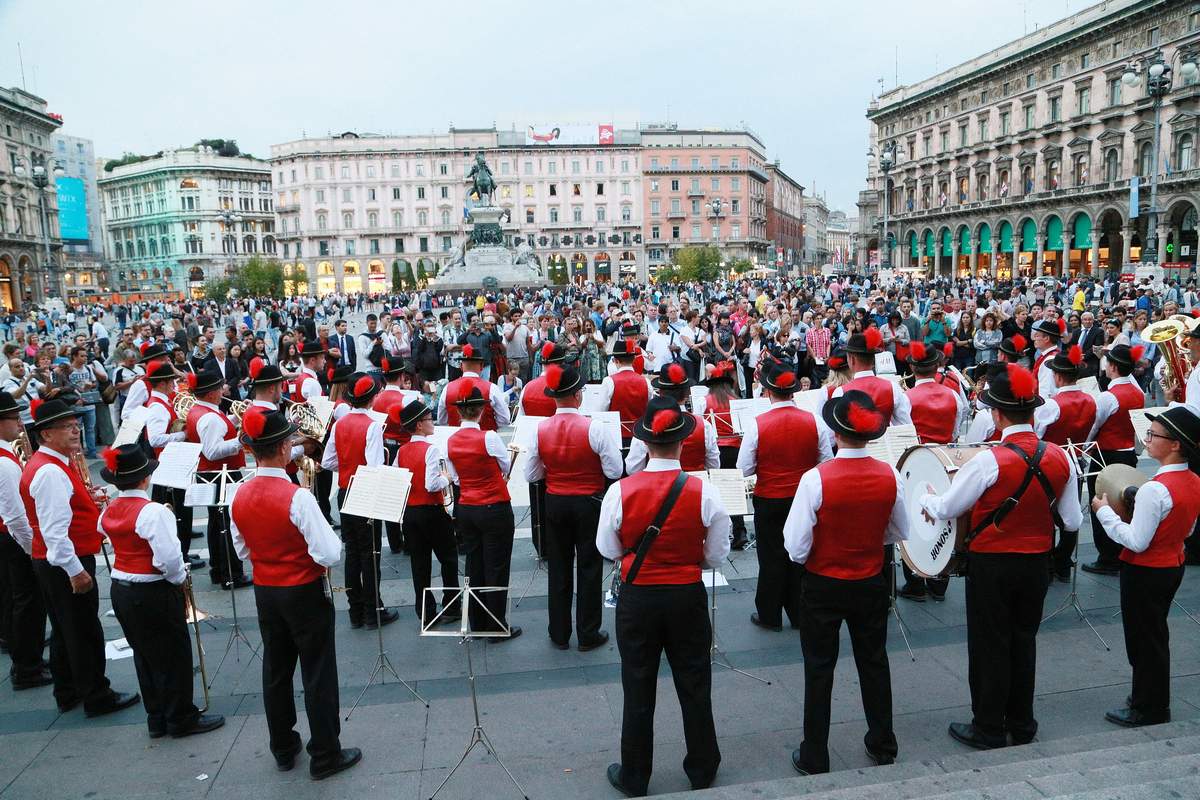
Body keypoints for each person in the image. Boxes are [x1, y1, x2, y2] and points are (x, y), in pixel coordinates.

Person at [919, 364, 1082, 749]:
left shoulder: (988, 460)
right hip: (1036, 564)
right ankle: (1022, 723)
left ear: (996, 413)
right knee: (1024, 640)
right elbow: (1072, 521)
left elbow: (946, 507)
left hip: (992, 565)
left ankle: (989, 726)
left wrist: (923, 495)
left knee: (990, 644)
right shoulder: (1060, 456)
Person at [597, 396, 730, 797]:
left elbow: (607, 548)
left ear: (646, 444)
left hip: (638, 597)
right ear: (681, 443)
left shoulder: (620, 491)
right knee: (695, 682)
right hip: (686, 594)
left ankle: (635, 775)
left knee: (637, 684)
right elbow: (716, 555)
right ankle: (702, 766)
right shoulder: (703, 491)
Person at [230, 407, 361, 780]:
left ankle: (283, 747)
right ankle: (325, 753)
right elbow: (329, 553)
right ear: (285, 447)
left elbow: (242, 550)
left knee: (276, 668)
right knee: (318, 671)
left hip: (266, 591)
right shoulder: (297, 497)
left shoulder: (239, 494)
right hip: (304, 590)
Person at [783, 390, 907, 775]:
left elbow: (795, 547)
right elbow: (899, 531)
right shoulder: (889, 474)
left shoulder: (815, 479)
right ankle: (882, 742)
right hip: (870, 579)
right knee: (874, 662)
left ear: (836, 433)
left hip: (823, 583)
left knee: (819, 668)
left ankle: (815, 753)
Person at [21, 397, 140, 717]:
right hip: (64, 560)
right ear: (46, 434)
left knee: (65, 628)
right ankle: (97, 696)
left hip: (54, 560)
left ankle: (69, 690)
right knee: (84, 630)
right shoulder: (51, 472)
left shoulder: (54, 464)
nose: (77, 431)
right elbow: (55, 532)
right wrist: (76, 571)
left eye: (76, 425)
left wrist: (89, 502)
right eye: (67, 427)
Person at [97, 443, 224, 738]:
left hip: (121, 589)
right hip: (152, 591)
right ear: (144, 479)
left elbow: (104, 531)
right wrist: (181, 580)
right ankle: (181, 718)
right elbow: (168, 561)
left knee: (144, 654)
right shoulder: (153, 512)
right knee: (174, 655)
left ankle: (157, 717)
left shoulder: (109, 508)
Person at [1093, 406, 1200, 727]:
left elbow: (1136, 541)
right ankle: (1149, 698)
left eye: (1153, 435)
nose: (1147, 439)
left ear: (1176, 445)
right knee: (1154, 637)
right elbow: (1189, 529)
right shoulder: (1193, 480)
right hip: (1172, 564)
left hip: (1145, 571)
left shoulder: (1155, 489)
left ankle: (1149, 707)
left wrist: (1104, 512)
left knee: (1143, 641)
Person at [524, 364, 622, 650]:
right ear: (578, 396)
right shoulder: (594, 427)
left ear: (554, 397)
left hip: (555, 501)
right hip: (588, 502)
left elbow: (531, 475)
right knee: (589, 567)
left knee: (559, 567)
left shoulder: (540, 429)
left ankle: (559, 632)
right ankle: (588, 633)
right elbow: (615, 470)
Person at [737, 362, 832, 631]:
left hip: (769, 497)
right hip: (803, 496)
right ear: (793, 393)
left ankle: (770, 615)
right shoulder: (813, 420)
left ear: (768, 393)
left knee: (770, 556)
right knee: (801, 554)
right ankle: (800, 613)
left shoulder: (758, 424)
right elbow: (826, 461)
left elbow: (744, 468)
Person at [444, 385, 520, 640]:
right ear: (480, 410)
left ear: (460, 412)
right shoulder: (489, 437)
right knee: (496, 566)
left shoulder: (451, 440)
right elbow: (505, 466)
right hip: (493, 506)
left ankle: (476, 623)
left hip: (466, 507)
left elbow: (454, 476)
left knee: (473, 566)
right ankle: (496, 626)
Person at [321, 373, 397, 628]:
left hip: (345, 490)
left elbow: (327, 462)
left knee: (352, 552)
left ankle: (355, 610)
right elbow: (374, 465)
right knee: (370, 553)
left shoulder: (340, 424)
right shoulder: (373, 425)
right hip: (365, 490)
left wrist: (347, 466)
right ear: (372, 398)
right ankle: (373, 609)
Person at [393, 400, 460, 625]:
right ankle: (451, 606)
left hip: (411, 514)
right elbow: (432, 484)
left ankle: (425, 612)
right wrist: (447, 478)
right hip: (432, 511)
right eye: (429, 419)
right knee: (448, 559)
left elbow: (398, 479)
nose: (433, 422)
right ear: (419, 425)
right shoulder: (430, 449)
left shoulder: (402, 451)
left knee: (419, 564)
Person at [1034, 344, 1098, 581]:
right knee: (1071, 513)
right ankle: (1063, 561)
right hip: (1077, 458)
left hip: (1051, 461)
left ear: (1058, 377)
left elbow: (1037, 434)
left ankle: (1050, 562)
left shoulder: (1052, 405)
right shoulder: (1092, 400)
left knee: (1047, 512)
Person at [1083, 344, 1147, 575]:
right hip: (1127, 453)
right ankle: (1121, 550)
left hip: (1105, 455)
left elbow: (1094, 426)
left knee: (1101, 503)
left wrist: (1084, 449)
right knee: (1126, 504)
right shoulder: (1138, 392)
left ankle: (1107, 557)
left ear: (1113, 366)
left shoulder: (1109, 397)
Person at [184, 368, 250, 589]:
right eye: (220, 387)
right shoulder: (211, 418)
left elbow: (218, 426)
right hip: (222, 474)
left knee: (216, 524)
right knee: (227, 525)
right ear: (212, 393)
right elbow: (212, 450)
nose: (223, 390)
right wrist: (241, 440)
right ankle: (232, 574)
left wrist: (234, 418)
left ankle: (218, 570)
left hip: (210, 475)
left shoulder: (201, 411)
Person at [0, 391, 49, 690]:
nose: (20, 422)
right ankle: (27, 667)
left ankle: (27, 660)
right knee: (28, 603)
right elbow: (15, 515)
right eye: (13, 418)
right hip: (12, 538)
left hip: (7, 537)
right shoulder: (5, 462)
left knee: (16, 601)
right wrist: (32, 548)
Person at [625, 363, 719, 475]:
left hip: (654, 489)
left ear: (660, 393)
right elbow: (714, 466)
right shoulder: (705, 426)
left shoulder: (647, 426)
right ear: (687, 393)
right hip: (695, 488)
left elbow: (633, 469)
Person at [371, 357, 421, 554]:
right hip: (404, 447)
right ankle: (409, 540)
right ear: (401, 376)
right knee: (407, 494)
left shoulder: (376, 399)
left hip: (385, 448)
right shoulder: (407, 398)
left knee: (389, 495)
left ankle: (394, 542)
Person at [703, 361, 749, 549]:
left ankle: (717, 535)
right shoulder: (736, 401)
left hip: (716, 448)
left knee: (716, 493)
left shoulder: (704, 401)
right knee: (734, 492)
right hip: (735, 448)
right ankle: (740, 532)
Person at [825, 328, 912, 425]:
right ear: (873, 360)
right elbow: (905, 426)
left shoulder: (840, 392)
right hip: (887, 438)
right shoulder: (893, 387)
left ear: (852, 359)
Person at [436, 344, 510, 430]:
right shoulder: (492, 388)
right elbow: (504, 420)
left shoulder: (447, 388)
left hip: (455, 440)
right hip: (485, 440)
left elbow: (441, 421)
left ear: (460, 366)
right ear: (482, 366)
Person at [599, 339, 650, 451]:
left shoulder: (608, 381)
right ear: (633, 359)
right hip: (641, 437)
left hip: (616, 437)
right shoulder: (646, 382)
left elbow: (601, 412)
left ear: (615, 360)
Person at [1030, 317, 1065, 399]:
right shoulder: (1051, 355)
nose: (1034, 338)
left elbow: (1046, 391)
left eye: (1037, 335)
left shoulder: (1049, 360)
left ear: (1046, 338)